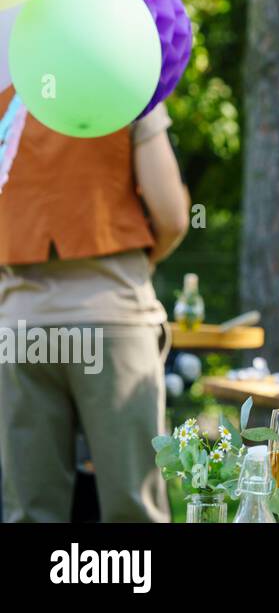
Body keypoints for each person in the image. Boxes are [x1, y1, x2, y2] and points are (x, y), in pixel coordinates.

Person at [0, 88, 190, 522]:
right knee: (133, 506)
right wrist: (139, 261)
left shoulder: (6, 85)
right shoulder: (126, 75)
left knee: (30, 510)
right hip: (113, 315)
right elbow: (173, 215)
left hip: (21, 325)